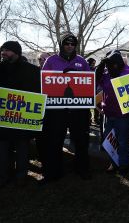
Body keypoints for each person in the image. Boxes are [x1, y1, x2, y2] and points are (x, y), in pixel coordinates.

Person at [0, 41, 40, 187]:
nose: (3, 53)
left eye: (7, 50)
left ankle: (21, 176)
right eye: (3, 50)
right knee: (0, 150)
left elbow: (37, 94)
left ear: (17, 52)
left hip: (22, 120)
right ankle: (2, 177)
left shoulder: (33, 70)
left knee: (22, 149)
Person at [40, 32, 93, 183]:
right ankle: (53, 172)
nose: (69, 46)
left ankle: (82, 169)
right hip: (57, 110)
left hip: (78, 110)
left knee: (81, 140)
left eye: (72, 44)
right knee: (55, 141)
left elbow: (89, 82)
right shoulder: (51, 60)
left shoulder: (81, 61)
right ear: (61, 45)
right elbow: (44, 82)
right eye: (66, 44)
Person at [95, 50, 129, 174]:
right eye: (110, 64)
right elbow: (95, 79)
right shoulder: (106, 74)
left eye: (114, 64)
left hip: (123, 115)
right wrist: (101, 65)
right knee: (108, 139)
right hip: (109, 114)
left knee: (123, 141)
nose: (112, 67)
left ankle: (123, 164)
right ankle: (114, 162)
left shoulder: (127, 73)